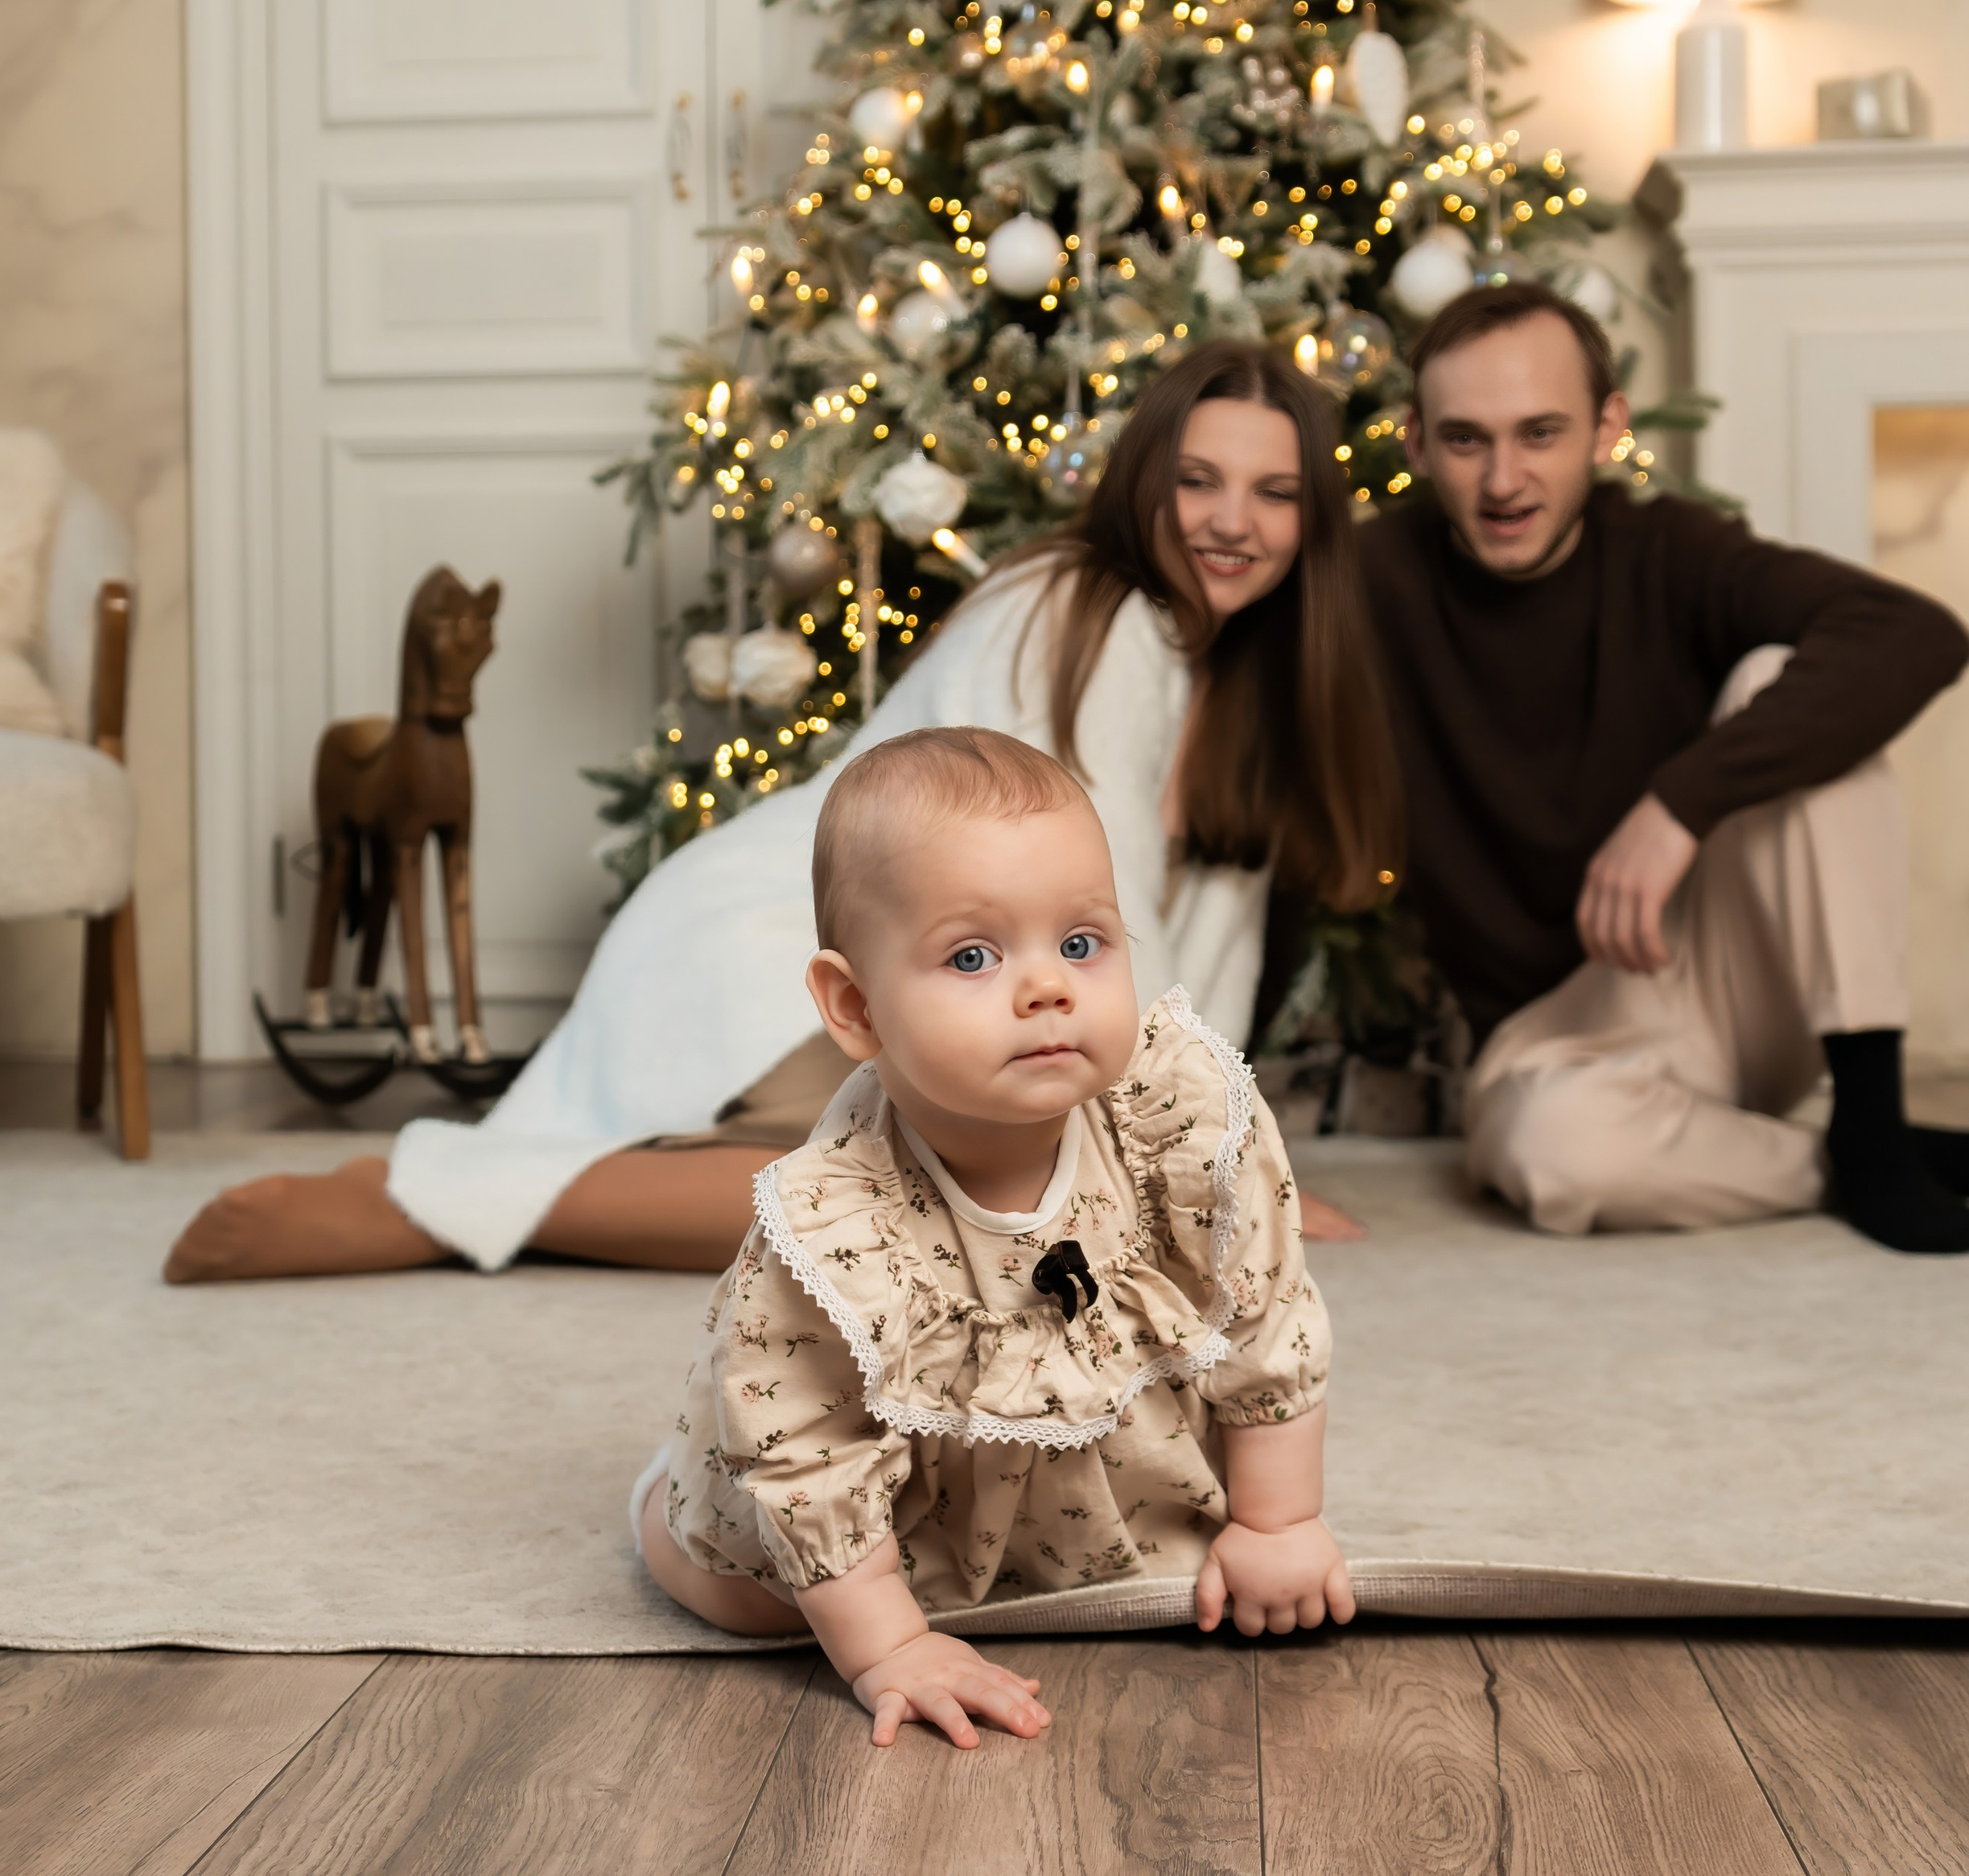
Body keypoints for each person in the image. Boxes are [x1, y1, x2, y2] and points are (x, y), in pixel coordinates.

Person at [165, 341, 1401, 1283]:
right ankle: (443, 1204)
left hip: (938, 983)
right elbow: (1098, 919)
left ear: (1313, 522)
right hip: (796, 952)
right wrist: (1217, 1181)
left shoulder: (1245, 682)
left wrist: (1232, 1166)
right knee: (951, 1210)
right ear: (1143, 485)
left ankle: (490, 1189)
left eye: (1274, 494)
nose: (1233, 521)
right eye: (1197, 481)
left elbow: (1200, 973)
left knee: (1018, 1206)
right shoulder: (1090, 613)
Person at [638, 727, 1352, 1746]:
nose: (1048, 987)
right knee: (753, 1595)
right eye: (972, 955)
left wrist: (1276, 1521)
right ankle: (660, 1496)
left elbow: (1265, 1313)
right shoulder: (835, 1225)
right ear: (856, 1006)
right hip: (864, 1493)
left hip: (1076, 1487)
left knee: (1180, 1554)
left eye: (1081, 942)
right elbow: (806, 1449)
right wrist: (889, 1645)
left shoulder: (1178, 1125)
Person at [1362, 279, 1969, 1252]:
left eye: (1541, 433)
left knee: (1796, 681)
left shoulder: (1670, 551)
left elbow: (1914, 634)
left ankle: (1868, 1108)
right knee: (1556, 1154)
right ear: (1418, 444)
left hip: (1716, 973)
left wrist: (1676, 806)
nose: (1504, 480)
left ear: (1607, 429)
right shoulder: (1366, 585)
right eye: (1467, 439)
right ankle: (1855, 1156)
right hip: (1559, 1038)